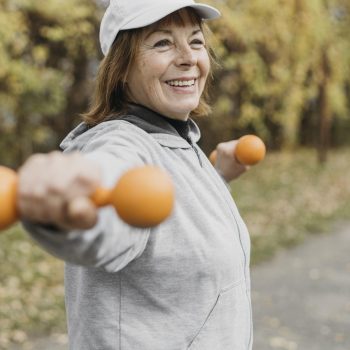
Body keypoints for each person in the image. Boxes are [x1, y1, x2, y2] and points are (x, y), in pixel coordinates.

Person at [19, 0, 253, 349]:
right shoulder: (122, 145)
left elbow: (172, 225)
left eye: (196, 41)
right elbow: (110, 199)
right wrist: (68, 214)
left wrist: (216, 176)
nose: (188, 57)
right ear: (122, 68)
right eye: (162, 42)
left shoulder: (176, 139)